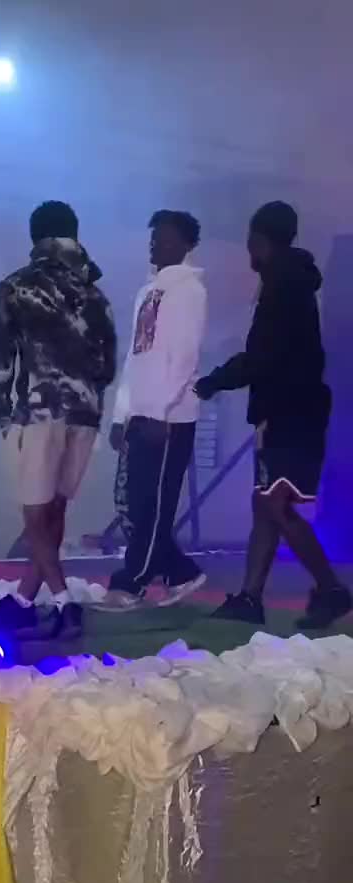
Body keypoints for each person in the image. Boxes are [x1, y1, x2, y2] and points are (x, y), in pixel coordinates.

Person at [196, 201, 352, 629]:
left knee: (274, 503)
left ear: (259, 239)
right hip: (293, 411)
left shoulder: (282, 287)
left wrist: (214, 380)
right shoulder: (291, 282)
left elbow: (262, 356)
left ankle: (331, 590)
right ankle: (250, 597)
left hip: (289, 414)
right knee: (265, 503)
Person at [0, 201, 117, 635]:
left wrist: (3, 412)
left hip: (39, 410)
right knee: (55, 510)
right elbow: (108, 365)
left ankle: (64, 603)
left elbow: (0, 357)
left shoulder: (17, 287)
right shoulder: (96, 295)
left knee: (34, 515)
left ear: (34, 237)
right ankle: (24, 599)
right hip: (85, 413)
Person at [98, 209, 207, 611]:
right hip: (140, 414)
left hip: (170, 418)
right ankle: (180, 572)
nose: (155, 244)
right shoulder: (149, 291)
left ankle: (133, 582)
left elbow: (184, 357)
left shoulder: (189, 291)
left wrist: (161, 410)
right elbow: (135, 357)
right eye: (153, 238)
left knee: (155, 504)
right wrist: (120, 415)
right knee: (134, 503)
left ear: (186, 245)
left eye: (165, 238)